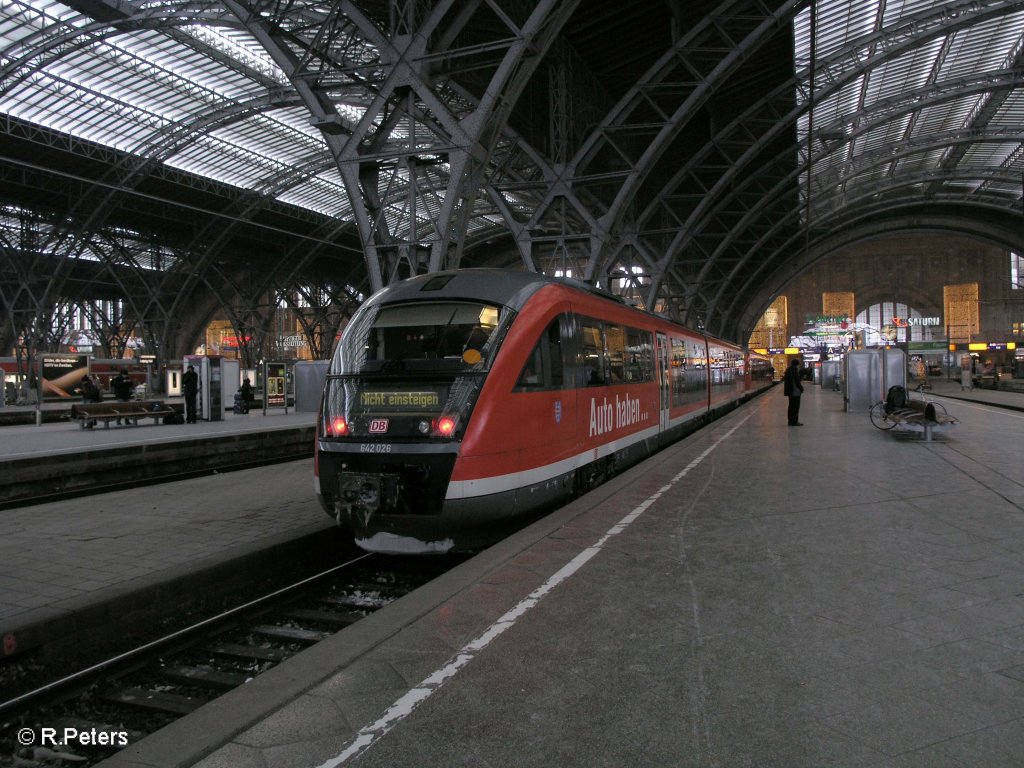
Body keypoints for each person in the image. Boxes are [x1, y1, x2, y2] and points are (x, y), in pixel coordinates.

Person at [782, 359, 804, 426]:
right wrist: (801, 389)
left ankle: (790, 421)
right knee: (796, 407)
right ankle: (794, 421)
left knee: (791, 406)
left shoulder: (788, 370)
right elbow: (797, 382)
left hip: (790, 391)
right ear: (797, 364)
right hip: (795, 391)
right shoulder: (794, 371)